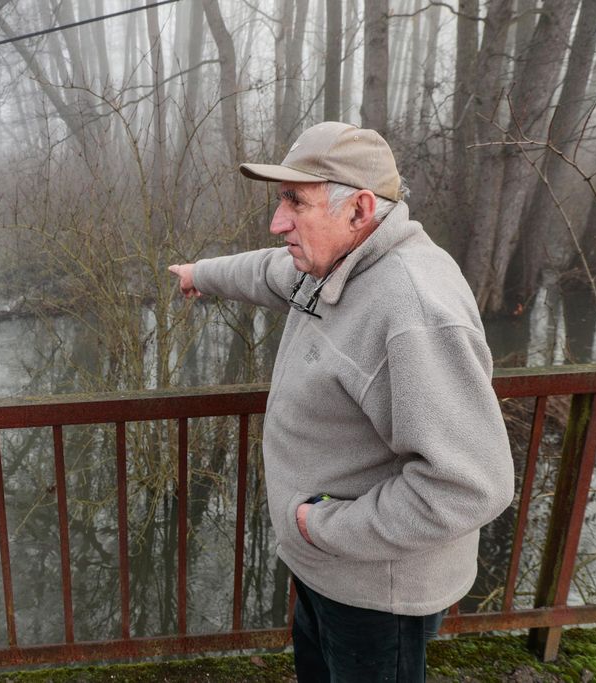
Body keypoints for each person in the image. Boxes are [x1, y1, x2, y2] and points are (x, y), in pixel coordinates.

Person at [168, 121, 514, 682]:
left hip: (376, 592)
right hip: (325, 568)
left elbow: (472, 483)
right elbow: (267, 270)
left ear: (357, 210)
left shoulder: (412, 310)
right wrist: (201, 274)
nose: (277, 221)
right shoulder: (336, 264)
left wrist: (322, 528)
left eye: (294, 202)